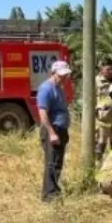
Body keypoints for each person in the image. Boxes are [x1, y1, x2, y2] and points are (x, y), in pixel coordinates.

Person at [36, 60, 72, 203]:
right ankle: (48, 196)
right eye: (61, 75)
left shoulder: (60, 88)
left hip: (61, 130)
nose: (64, 78)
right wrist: (51, 133)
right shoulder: (46, 88)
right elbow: (43, 113)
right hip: (53, 130)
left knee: (58, 162)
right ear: (53, 73)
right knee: (51, 163)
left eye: (66, 75)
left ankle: (54, 191)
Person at [94, 58, 112, 161]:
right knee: (100, 146)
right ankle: (97, 168)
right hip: (101, 121)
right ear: (101, 69)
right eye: (108, 69)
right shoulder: (96, 82)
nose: (111, 71)